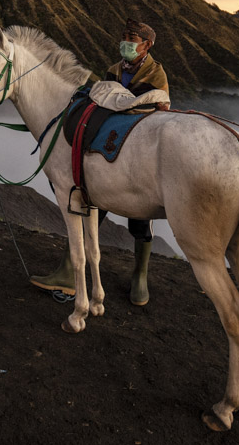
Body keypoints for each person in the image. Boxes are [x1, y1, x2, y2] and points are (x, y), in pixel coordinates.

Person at [29, 18, 169, 306]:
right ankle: (69, 272)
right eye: (125, 37)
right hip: (108, 144)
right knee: (92, 204)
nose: (126, 43)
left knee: (140, 218)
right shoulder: (115, 69)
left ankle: (139, 275)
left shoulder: (156, 73)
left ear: (147, 45)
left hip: (137, 149)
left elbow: (160, 108)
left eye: (133, 39)